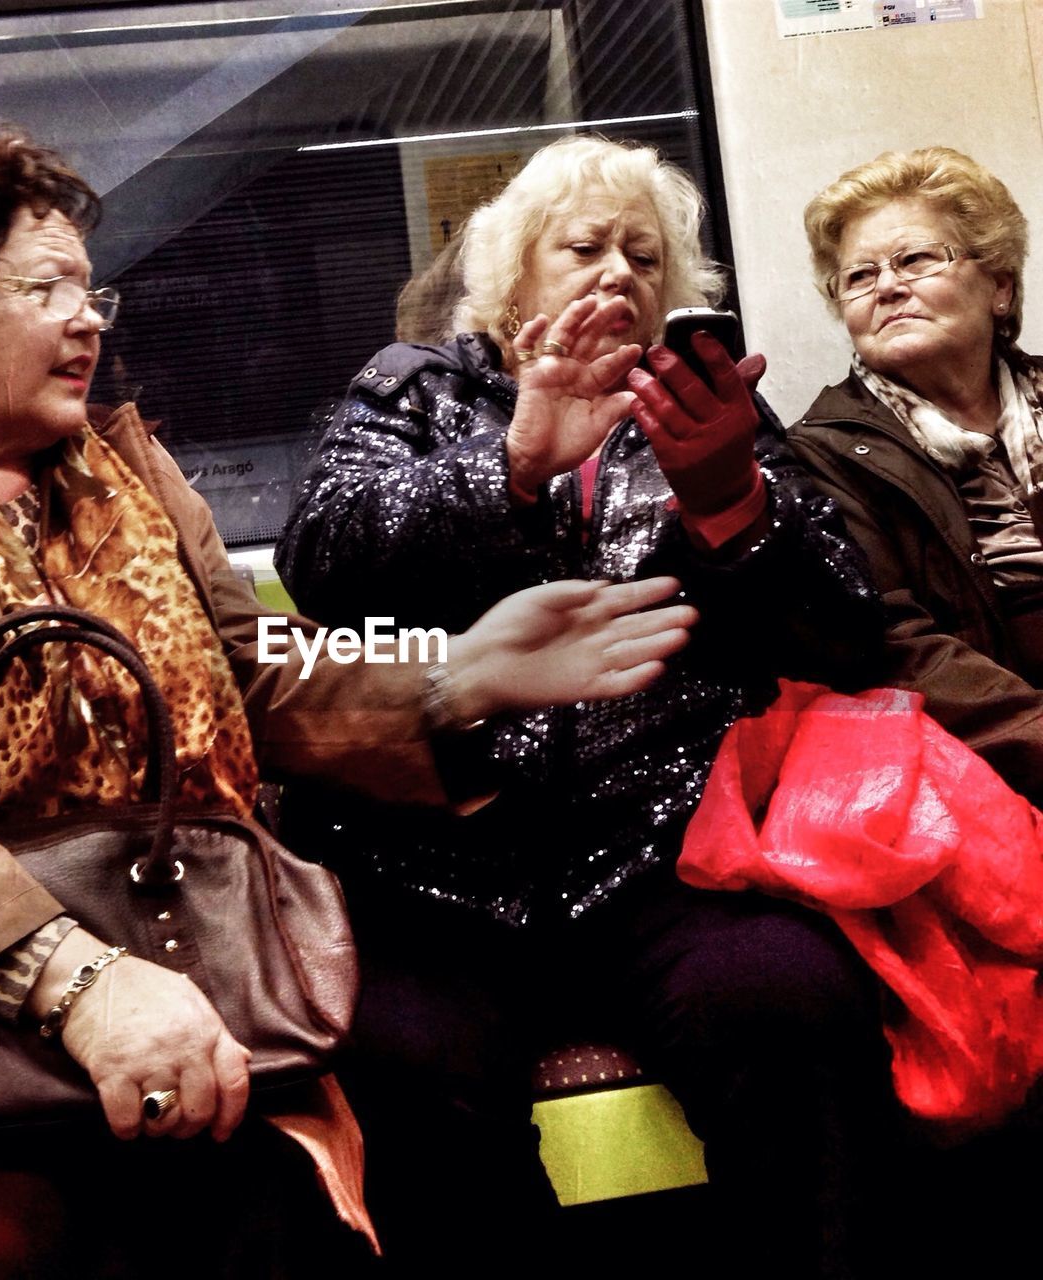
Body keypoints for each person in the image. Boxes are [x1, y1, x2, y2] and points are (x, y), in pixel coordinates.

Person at [0, 120, 700, 1280]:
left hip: (195, 976)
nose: (89, 315)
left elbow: (254, 674)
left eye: (89, 285)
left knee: (288, 1242)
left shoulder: (131, 474)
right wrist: (77, 983)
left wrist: (456, 672)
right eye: (46, 287)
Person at [276, 133, 897, 1279]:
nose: (617, 273)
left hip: (665, 852)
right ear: (515, 275)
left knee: (794, 1007)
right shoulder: (415, 386)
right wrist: (513, 460)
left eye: (644, 257)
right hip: (437, 862)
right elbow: (325, 564)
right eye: (584, 248)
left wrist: (729, 505)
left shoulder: (710, 413)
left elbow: (847, 631)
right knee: (404, 1066)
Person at [788, 144, 1043, 1271]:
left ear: (995, 283)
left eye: (914, 258)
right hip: (976, 791)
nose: (881, 285)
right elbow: (889, 645)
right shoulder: (819, 455)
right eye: (856, 276)